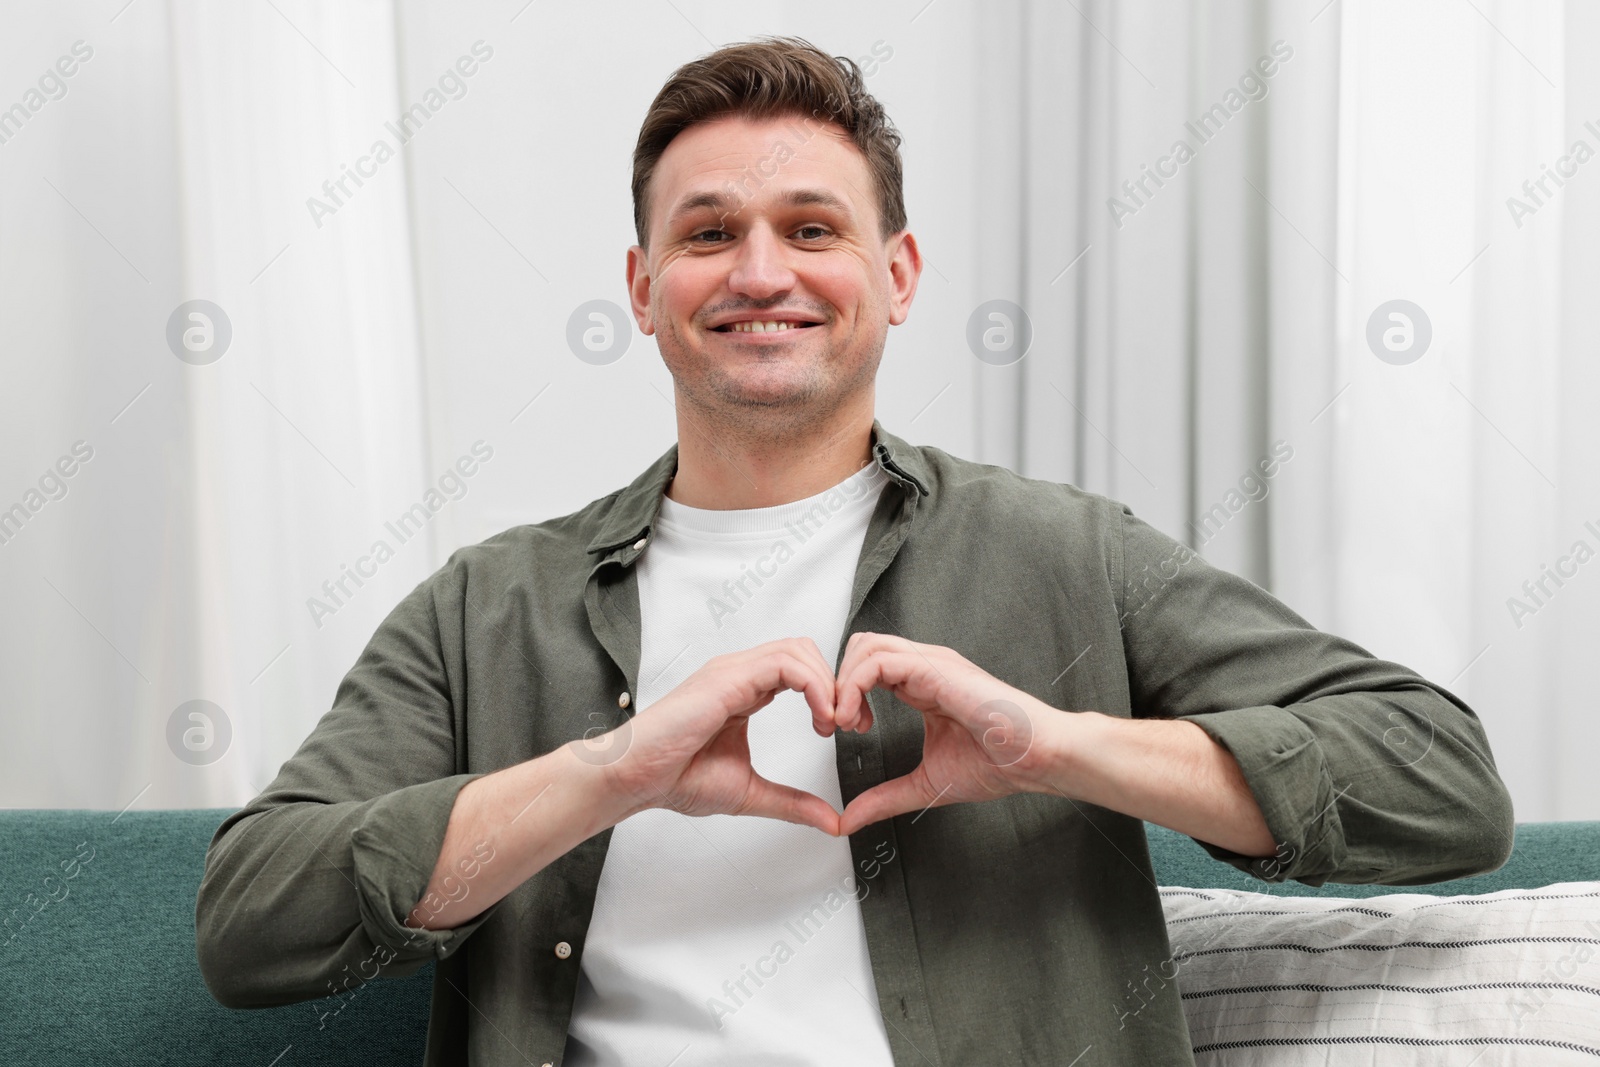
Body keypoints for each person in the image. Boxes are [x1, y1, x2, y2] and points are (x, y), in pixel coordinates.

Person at [195, 35, 1515, 1066]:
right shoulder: (488, 606)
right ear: (644, 288)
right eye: (708, 233)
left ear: (899, 274)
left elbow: (1445, 786)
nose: (759, 269)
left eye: (812, 229)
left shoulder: (1067, 556)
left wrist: (1060, 748)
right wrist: (606, 774)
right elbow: (252, 923)